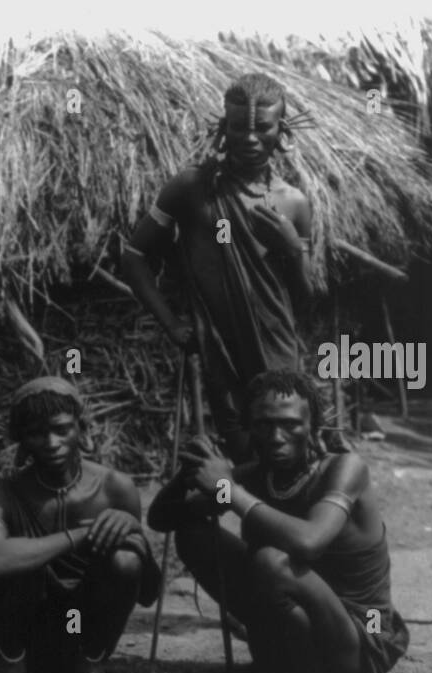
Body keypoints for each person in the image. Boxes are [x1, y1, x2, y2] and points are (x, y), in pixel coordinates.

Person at [147, 370, 408, 673]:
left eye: (290, 424)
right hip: (306, 631)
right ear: (250, 429)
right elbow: (162, 519)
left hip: (364, 638)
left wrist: (228, 491)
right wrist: (193, 469)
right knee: (195, 535)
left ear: (312, 426)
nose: (276, 436)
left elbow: (309, 541)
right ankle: (286, 663)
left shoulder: (344, 469)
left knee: (273, 561)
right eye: (263, 425)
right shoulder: (255, 477)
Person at [122, 71, 314, 460]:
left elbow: (306, 304)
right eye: (239, 127)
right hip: (222, 353)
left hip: (279, 353)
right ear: (224, 127)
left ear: (283, 130)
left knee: (287, 459)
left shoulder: (294, 203)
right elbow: (133, 256)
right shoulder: (193, 188)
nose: (250, 138)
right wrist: (172, 324)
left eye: (262, 128)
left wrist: (293, 250)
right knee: (244, 454)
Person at [0, 377, 162, 673]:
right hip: (25, 636)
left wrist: (134, 534)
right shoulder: (5, 492)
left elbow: (146, 592)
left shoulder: (115, 488)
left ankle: (90, 668)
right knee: (16, 562)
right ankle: (12, 670)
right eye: (36, 434)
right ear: (22, 441)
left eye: (62, 430)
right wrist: (78, 536)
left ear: (81, 428)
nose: (51, 442)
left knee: (125, 560)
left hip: (87, 633)